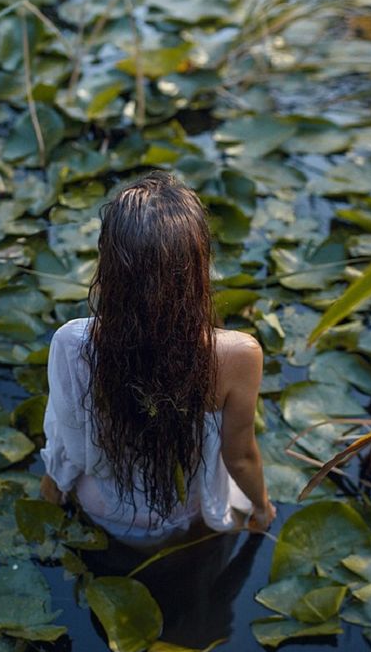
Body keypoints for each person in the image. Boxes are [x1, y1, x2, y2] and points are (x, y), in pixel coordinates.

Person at [39, 171, 276, 549]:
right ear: (199, 264)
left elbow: (69, 440)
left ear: (108, 263)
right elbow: (241, 456)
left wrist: (53, 488)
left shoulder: (72, 341)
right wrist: (261, 507)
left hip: (103, 509)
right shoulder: (238, 354)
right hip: (184, 511)